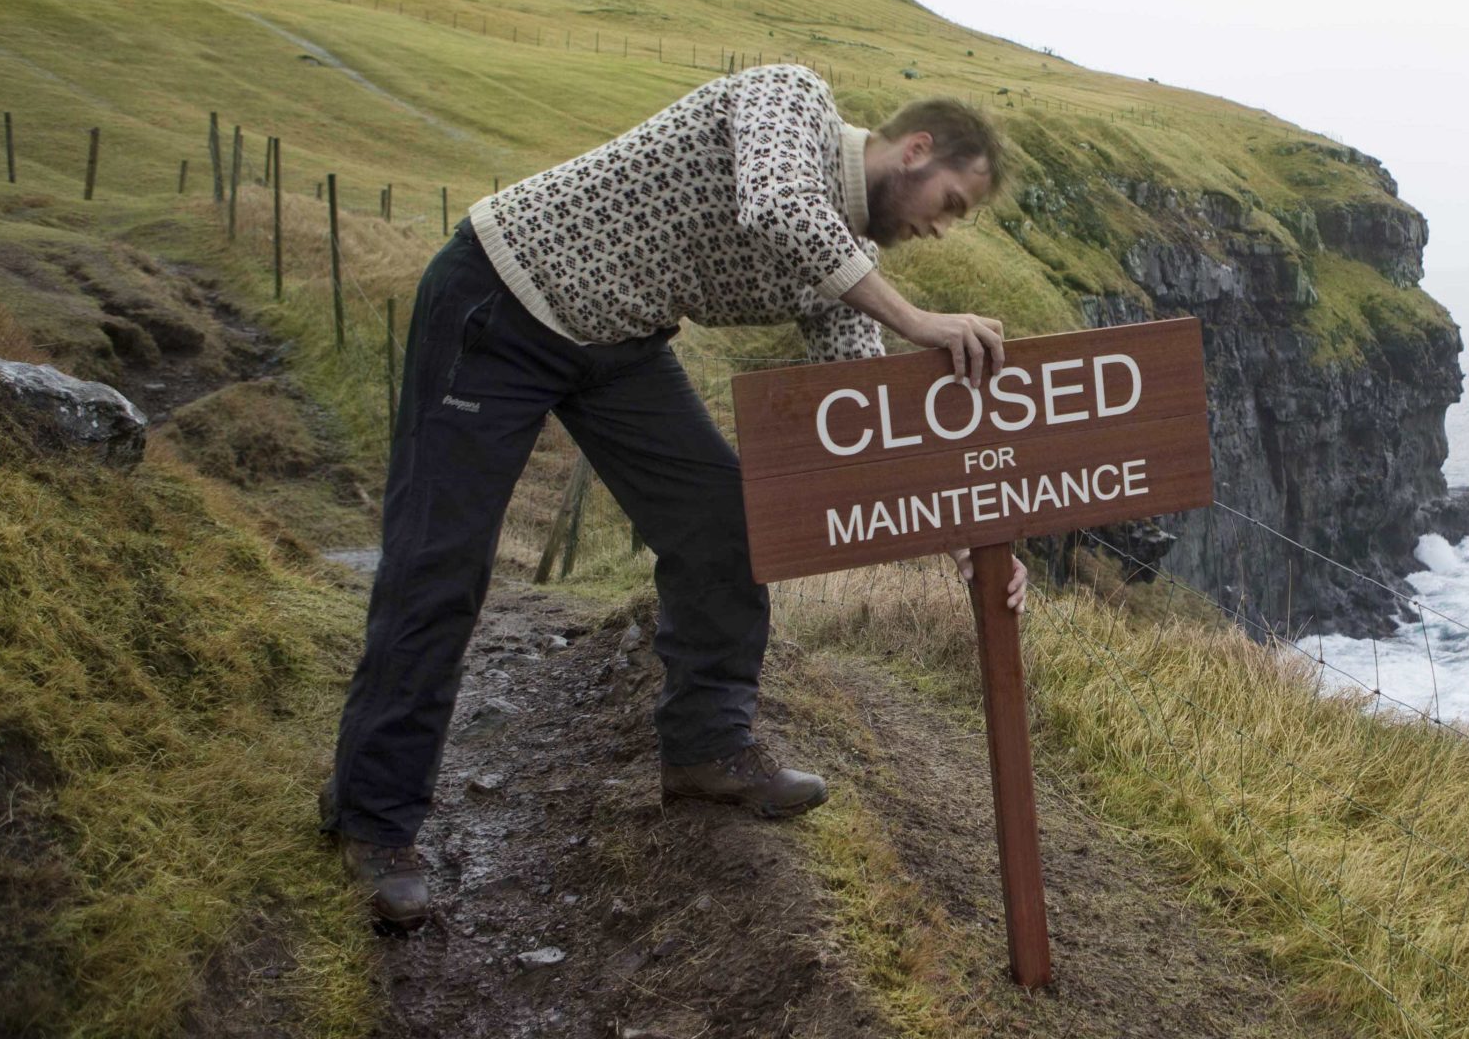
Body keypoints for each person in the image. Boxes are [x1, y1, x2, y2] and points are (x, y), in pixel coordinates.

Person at [320, 64, 1026, 929]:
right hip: (500, 302)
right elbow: (776, 202)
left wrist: (958, 527)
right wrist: (916, 320)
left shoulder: (845, 269)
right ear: (916, 151)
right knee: (441, 562)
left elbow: (860, 413)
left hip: (617, 344)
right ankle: (376, 821)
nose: (942, 230)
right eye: (950, 204)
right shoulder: (791, 98)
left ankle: (707, 750)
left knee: (727, 528)